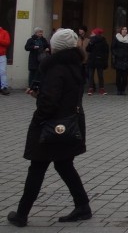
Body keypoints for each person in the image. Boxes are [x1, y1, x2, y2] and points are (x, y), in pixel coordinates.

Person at [7, 28, 92, 227]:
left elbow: (50, 101)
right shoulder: (75, 64)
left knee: (37, 167)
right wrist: (41, 95)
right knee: (64, 164)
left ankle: (21, 214)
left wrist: (38, 118)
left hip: (53, 125)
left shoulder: (56, 68)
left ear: (55, 47)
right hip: (70, 122)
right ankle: (83, 206)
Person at [85, 28, 109, 96]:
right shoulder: (95, 41)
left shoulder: (100, 41)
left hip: (96, 60)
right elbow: (88, 49)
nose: (91, 34)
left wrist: (105, 61)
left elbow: (106, 52)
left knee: (95, 75)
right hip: (96, 60)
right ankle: (96, 88)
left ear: (96, 34)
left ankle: (96, 89)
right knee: (95, 75)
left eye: (92, 33)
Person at [111, 27, 128, 95]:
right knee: (118, 76)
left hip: (126, 60)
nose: (124, 30)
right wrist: (117, 54)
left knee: (125, 76)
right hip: (119, 60)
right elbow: (113, 48)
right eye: (123, 29)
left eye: (126, 29)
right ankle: (119, 89)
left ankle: (123, 90)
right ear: (120, 31)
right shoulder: (116, 38)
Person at [0, 25, 9, 95]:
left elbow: (7, 42)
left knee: (2, 72)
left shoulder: (4, 32)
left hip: (1, 55)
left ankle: (4, 87)